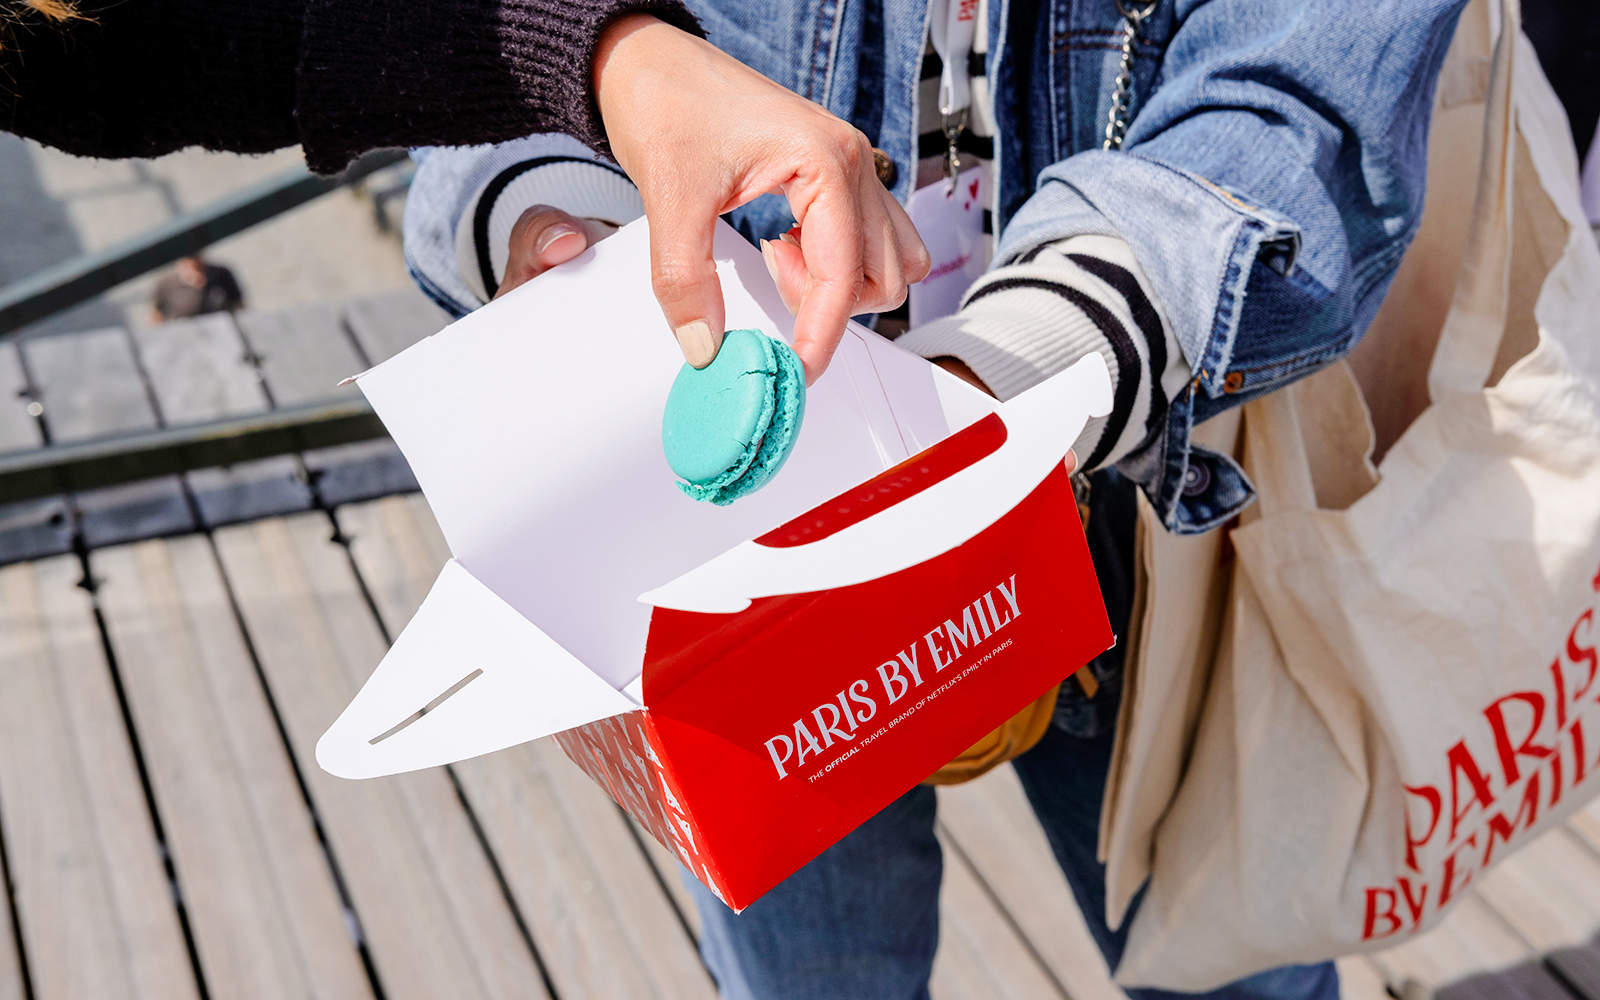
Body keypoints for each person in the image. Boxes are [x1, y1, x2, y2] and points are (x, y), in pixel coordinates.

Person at [3, 0, 1468, 995]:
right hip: (748, 538)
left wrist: (995, 387)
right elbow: (446, 76)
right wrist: (551, 230)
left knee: (1236, 964)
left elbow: (1300, 103)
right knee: (815, 974)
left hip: (1147, 493)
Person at [151, 255, 245, 322]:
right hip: (188, 335)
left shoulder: (220, 274)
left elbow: (239, 305)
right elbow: (156, 315)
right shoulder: (167, 283)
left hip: (220, 328)